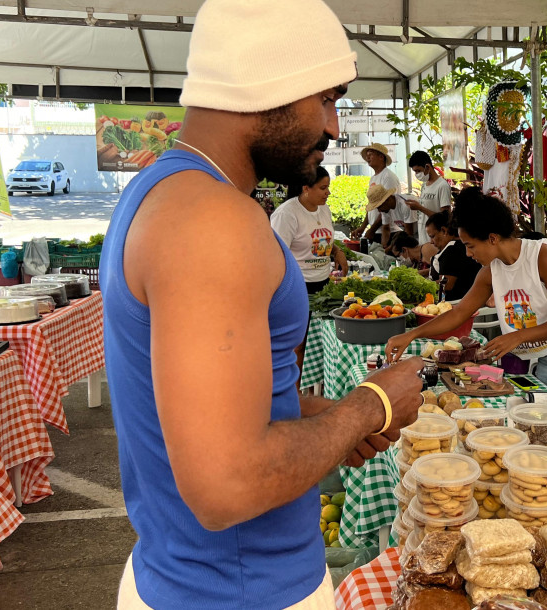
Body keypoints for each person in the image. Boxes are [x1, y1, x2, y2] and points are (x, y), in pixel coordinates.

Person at [98, 2, 424, 608]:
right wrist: (367, 407)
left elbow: (192, 400)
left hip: (184, 576)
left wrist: (315, 419)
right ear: (269, 85)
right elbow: (227, 484)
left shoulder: (163, 191)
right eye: (326, 98)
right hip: (240, 591)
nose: (334, 128)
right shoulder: (212, 222)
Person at [385, 187, 547, 405]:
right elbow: (460, 312)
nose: (468, 253)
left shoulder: (542, 256)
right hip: (543, 359)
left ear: (492, 238)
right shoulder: (489, 272)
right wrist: (412, 335)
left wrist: (518, 337)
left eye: (470, 245)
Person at [270, 165, 349, 294]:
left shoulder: (324, 209)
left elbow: (319, 240)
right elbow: (275, 255)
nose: (328, 192)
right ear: (306, 188)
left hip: (323, 282)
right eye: (323, 188)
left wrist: (336, 251)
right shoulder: (286, 214)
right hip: (298, 285)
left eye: (328, 187)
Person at [424, 210, 481, 301]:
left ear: (444, 231)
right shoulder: (451, 248)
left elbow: (446, 284)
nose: (431, 242)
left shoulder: (452, 250)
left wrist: (422, 285)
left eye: (432, 236)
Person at [403, 150, 451, 245]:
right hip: (423, 236)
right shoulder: (424, 185)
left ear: (427, 167)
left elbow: (444, 218)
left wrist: (419, 208)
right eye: (415, 172)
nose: (417, 174)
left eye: (418, 171)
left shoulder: (442, 186)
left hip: (435, 240)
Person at [356, 143, 399, 239]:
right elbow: (372, 204)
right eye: (367, 156)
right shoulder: (373, 178)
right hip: (376, 231)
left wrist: (372, 230)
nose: (368, 158)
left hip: (388, 231)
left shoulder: (388, 177)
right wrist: (363, 227)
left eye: (370, 155)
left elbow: (386, 206)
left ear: (381, 157)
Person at [364, 185, 415, 249]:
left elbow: (409, 233)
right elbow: (386, 228)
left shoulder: (405, 205)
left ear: (387, 200)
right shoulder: (386, 210)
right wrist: (383, 247)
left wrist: (392, 247)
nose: (379, 210)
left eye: (379, 207)